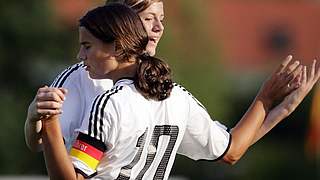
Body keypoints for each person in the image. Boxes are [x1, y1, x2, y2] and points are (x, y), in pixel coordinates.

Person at [39, 3, 320, 180]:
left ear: (118, 39)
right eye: (150, 17)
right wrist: (274, 105)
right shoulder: (174, 96)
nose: (80, 55)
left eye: (87, 46)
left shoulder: (108, 104)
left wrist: (48, 125)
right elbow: (232, 150)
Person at [25, 0, 165, 152]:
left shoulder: (162, 84)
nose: (159, 27)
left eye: (161, 19)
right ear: (118, 21)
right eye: (148, 19)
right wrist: (33, 119)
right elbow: (40, 143)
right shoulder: (79, 78)